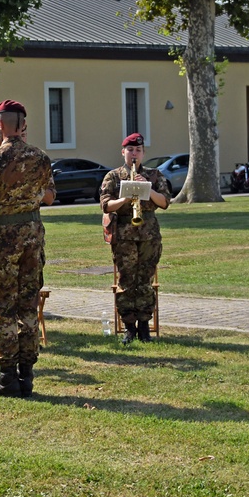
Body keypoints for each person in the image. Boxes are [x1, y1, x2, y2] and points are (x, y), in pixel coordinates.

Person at [0, 101, 54, 397]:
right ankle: (27, 374)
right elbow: (50, 197)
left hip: (3, 238)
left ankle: (8, 376)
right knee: (28, 304)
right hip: (33, 235)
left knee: (4, 308)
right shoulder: (41, 158)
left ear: (0, 125)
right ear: (23, 125)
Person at [99, 133, 171, 344]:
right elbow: (105, 205)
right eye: (130, 150)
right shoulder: (113, 176)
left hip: (149, 235)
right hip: (124, 236)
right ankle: (129, 327)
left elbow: (165, 202)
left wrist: (146, 189)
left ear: (143, 153)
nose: (134, 154)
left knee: (145, 281)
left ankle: (144, 326)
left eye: (138, 151)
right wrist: (124, 198)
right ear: (123, 152)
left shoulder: (154, 175)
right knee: (127, 280)